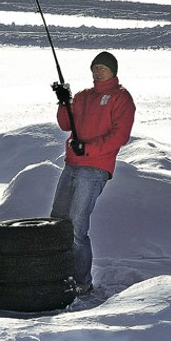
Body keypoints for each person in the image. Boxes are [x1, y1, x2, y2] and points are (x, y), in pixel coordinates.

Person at [50, 51, 135, 296]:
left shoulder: (121, 98)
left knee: (77, 227)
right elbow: (66, 124)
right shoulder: (84, 96)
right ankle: (59, 275)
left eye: (103, 68)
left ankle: (82, 283)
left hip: (95, 168)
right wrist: (63, 101)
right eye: (95, 67)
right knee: (57, 220)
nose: (98, 71)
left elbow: (120, 136)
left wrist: (87, 148)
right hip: (72, 164)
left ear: (113, 71)